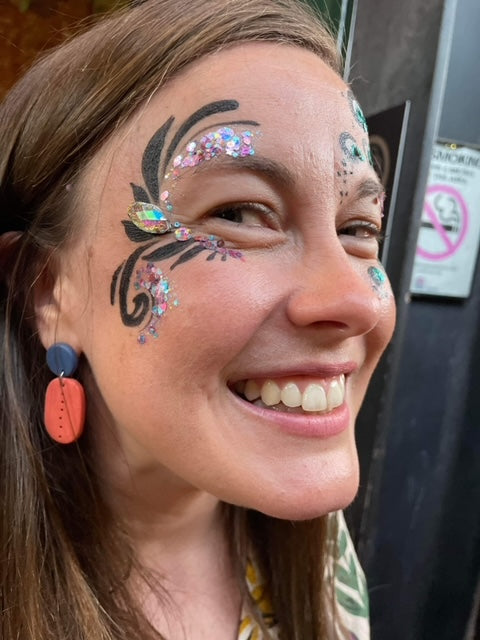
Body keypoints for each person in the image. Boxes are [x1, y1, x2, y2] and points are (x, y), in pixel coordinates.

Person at [0, 0, 396, 638]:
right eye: (238, 214)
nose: (355, 301)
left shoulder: (324, 554)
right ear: (50, 291)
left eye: (358, 228)